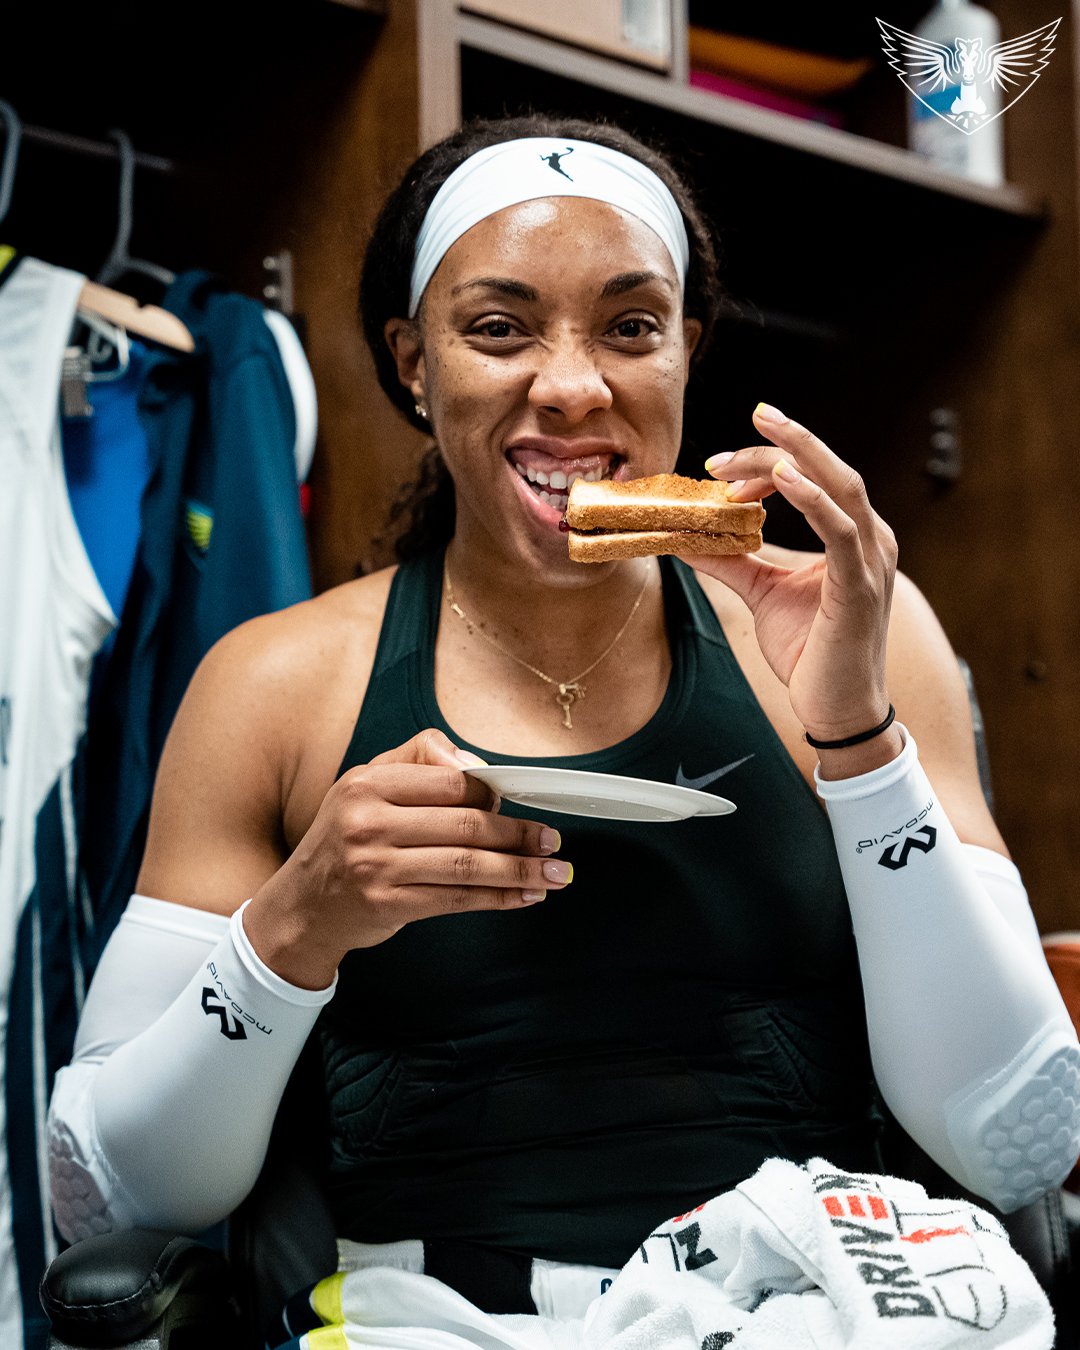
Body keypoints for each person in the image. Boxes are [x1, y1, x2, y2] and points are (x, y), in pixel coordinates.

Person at [47, 115, 1080, 1328]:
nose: (575, 386)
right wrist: (295, 926)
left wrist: (858, 741)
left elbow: (1019, 1143)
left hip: (803, 1295)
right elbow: (109, 1197)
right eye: (498, 328)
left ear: (687, 353)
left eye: (632, 327)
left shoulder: (867, 625)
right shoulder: (276, 687)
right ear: (413, 361)